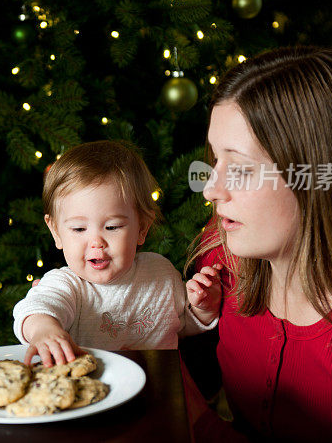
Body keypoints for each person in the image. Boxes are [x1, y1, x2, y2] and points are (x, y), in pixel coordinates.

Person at [185, 46, 332, 442]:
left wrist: (195, 420)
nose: (210, 189)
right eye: (215, 161)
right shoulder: (224, 252)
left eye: (238, 168)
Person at [12, 140, 218, 367]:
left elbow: (180, 326)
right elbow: (36, 308)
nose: (96, 243)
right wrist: (45, 329)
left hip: (157, 387)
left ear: (142, 228)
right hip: (94, 392)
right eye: (79, 229)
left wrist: (202, 311)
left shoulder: (161, 273)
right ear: (56, 232)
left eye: (112, 227)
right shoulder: (67, 284)